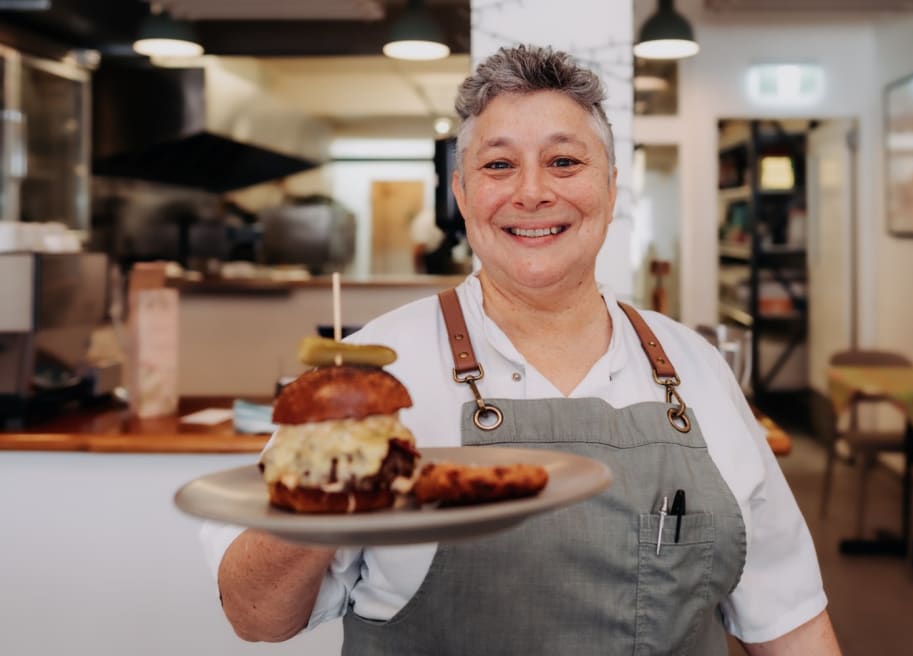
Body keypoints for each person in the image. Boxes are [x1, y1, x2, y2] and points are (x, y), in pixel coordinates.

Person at [202, 45, 842, 655]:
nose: (532, 192)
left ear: (612, 189)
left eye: (564, 162)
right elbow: (256, 616)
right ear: (461, 194)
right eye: (499, 164)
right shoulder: (369, 373)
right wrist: (322, 495)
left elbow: (788, 621)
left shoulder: (697, 371)